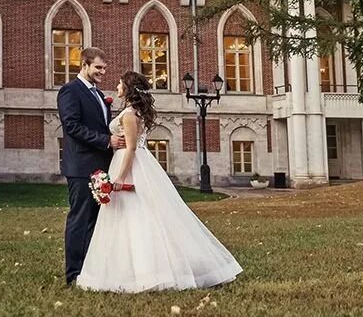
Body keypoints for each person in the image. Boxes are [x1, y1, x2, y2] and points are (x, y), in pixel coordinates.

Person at [76, 71, 242, 292]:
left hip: (131, 164)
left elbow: (131, 148)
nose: (116, 87)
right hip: (139, 163)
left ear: (128, 89)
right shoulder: (135, 113)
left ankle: (146, 271)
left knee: (135, 214)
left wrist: (120, 178)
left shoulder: (128, 114)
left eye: (119, 84)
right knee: (140, 213)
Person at [57, 47, 125, 285]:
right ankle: (74, 273)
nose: (102, 72)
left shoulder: (98, 94)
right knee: (80, 219)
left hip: (102, 166)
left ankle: (91, 270)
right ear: (84, 65)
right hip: (81, 167)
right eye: (98, 67)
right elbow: (72, 126)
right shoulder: (70, 91)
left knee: (96, 221)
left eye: (104, 68)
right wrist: (106, 140)